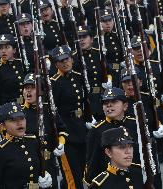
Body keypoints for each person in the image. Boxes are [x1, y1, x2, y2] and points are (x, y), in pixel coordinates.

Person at [0, 102, 52, 189]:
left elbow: (43, 162)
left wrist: (46, 174)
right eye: (13, 120)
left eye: (22, 118)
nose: (19, 123)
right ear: (3, 126)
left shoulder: (33, 141)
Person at [50, 45, 90, 189]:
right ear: (56, 64)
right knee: (73, 177)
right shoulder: (53, 83)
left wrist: (89, 118)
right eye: (61, 61)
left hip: (81, 129)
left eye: (67, 59)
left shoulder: (79, 77)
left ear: (72, 59)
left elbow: (86, 101)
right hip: (66, 133)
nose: (65, 63)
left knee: (80, 172)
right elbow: (53, 111)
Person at [84, 87, 140, 186]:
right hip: (110, 181)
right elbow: (93, 161)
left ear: (125, 106)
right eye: (105, 103)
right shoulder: (97, 130)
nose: (109, 105)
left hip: (137, 179)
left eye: (114, 101)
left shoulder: (136, 124)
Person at [22, 73, 69, 188]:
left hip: (48, 162)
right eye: (26, 88)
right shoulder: (20, 113)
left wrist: (61, 143)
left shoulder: (49, 109)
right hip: (29, 164)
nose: (28, 91)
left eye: (33, 88)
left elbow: (62, 129)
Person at [0, 34, 26, 122]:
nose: (3, 51)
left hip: (24, 109)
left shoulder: (22, 64)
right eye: (0, 48)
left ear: (14, 50)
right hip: (8, 113)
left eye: (7, 47)